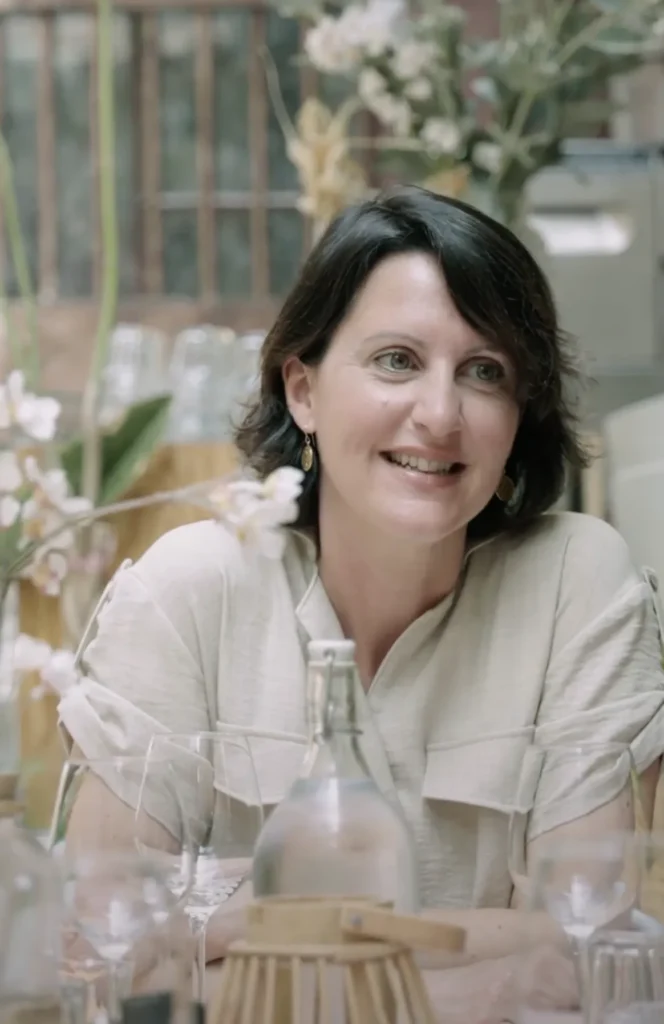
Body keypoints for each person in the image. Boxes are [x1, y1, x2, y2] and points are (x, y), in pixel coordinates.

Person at [60, 185, 664, 1018]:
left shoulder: (578, 584)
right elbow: (104, 955)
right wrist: (492, 969)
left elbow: (586, 949)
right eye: (397, 361)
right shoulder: (189, 589)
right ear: (302, 389)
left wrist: (243, 935)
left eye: (484, 372)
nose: (440, 414)